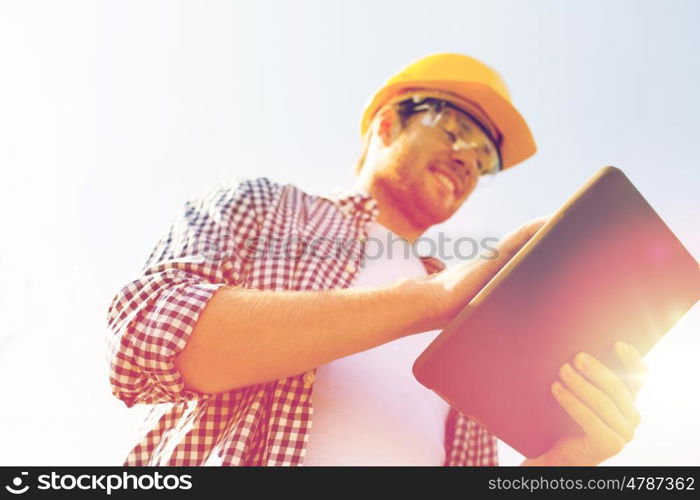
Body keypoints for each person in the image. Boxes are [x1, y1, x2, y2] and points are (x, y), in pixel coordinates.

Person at [106, 53, 646, 466]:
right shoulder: (264, 207)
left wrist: (563, 464)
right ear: (388, 126)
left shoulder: (477, 319)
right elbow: (142, 338)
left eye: (483, 159)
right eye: (454, 129)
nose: (467, 160)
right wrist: (434, 299)